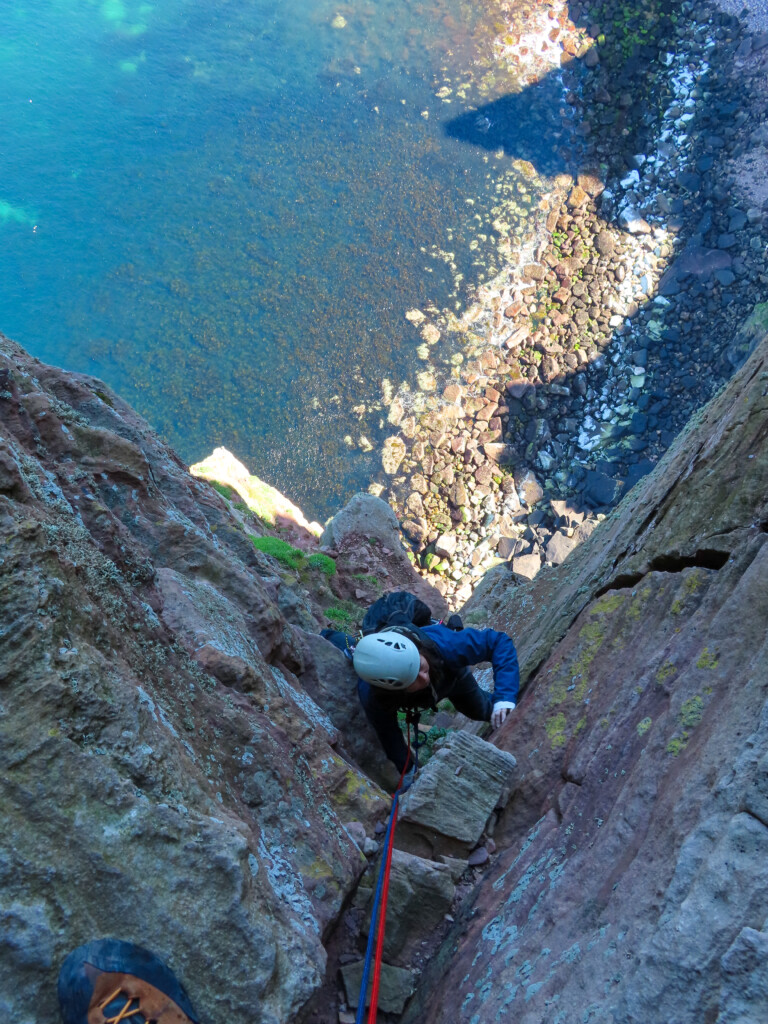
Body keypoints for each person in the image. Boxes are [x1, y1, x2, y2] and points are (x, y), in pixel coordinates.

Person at [324, 606, 519, 776]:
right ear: (394, 688)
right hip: (419, 691)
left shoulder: (444, 644)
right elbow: (389, 734)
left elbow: (497, 642)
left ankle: (508, 710)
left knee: (483, 709)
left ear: (418, 650)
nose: (423, 677)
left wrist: (505, 697)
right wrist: (408, 770)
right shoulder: (374, 695)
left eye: (419, 666)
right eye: (413, 679)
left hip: (452, 676)